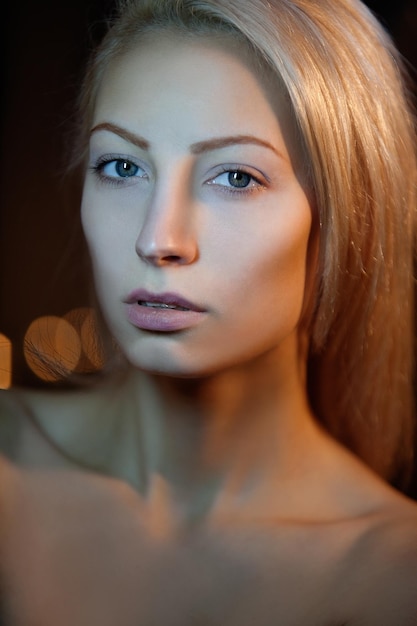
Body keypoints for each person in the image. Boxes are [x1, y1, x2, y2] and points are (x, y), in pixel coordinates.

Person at [1, 0, 417, 623]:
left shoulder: (393, 577)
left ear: (344, 219)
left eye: (236, 179)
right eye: (122, 166)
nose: (158, 238)